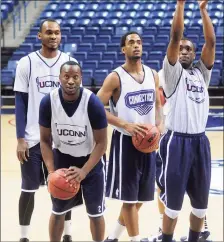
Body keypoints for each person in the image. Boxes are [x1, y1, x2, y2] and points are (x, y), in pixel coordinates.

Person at [13, 19, 78, 242]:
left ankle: (67, 233)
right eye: (49, 32)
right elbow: (20, 102)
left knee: (65, 187)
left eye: (57, 33)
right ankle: (24, 236)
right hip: (32, 139)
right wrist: (20, 138)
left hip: (63, 140)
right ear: (39, 36)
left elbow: (78, 103)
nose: (53, 36)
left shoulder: (70, 62)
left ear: (61, 36)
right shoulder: (27, 63)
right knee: (28, 189)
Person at [157, 0, 215, 241]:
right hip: (176, 143)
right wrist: (180, 5)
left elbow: (210, 42)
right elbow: (175, 36)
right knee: (172, 207)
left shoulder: (202, 72)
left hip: (200, 143)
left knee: (201, 206)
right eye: (180, 49)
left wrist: (203, 11)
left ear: (194, 54)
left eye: (188, 49)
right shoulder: (171, 74)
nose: (183, 52)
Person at [97, 31, 162, 242]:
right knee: (129, 199)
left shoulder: (152, 74)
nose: (136, 45)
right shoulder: (115, 77)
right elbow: (95, 109)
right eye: (131, 42)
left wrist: (159, 126)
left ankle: (114, 237)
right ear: (123, 49)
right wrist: (125, 124)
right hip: (126, 143)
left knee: (141, 197)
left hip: (149, 143)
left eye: (139, 42)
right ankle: (135, 239)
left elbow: (159, 105)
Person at [39, 61, 107, 242]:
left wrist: (84, 171)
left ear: (81, 79)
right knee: (58, 210)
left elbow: (101, 143)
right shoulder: (48, 102)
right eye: (66, 76)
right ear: (59, 78)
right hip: (62, 160)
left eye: (75, 77)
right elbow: (45, 141)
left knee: (95, 213)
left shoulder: (92, 102)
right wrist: (52, 171)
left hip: (91, 162)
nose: (70, 81)